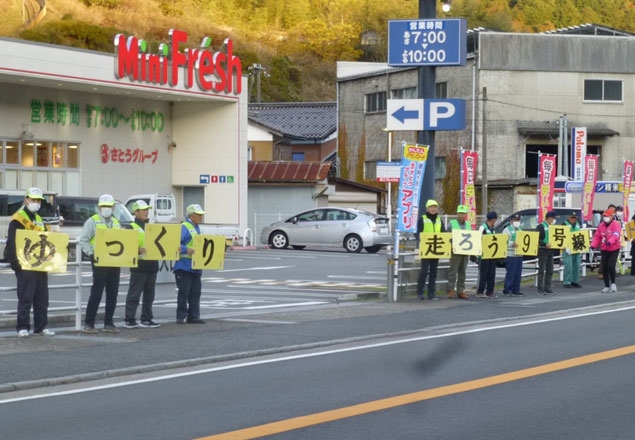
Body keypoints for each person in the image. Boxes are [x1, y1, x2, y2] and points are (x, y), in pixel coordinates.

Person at [5, 187, 55, 337]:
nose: (36, 203)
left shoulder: (39, 219)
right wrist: (15, 263)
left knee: (42, 297)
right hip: (24, 264)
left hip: (39, 263)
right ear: (26, 199)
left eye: (38, 200)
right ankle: (23, 327)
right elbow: (12, 242)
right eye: (33, 199)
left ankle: (41, 326)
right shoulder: (18, 218)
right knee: (26, 296)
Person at [80, 194, 122, 333]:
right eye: (104, 206)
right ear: (99, 207)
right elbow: (84, 240)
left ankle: (109, 323)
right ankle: (89, 324)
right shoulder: (92, 221)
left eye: (109, 206)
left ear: (113, 207)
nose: (106, 209)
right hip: (99, 261)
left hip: (114, 261)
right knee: (96, 292)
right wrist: (91, 254)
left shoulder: (116, 222)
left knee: (113, 293)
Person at [124, 200, 160, 329]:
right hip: (138, 265)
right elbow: (126, 247)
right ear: (136, 212)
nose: (146, 212)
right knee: (134, 294)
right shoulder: (131, 227)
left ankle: (147, 318)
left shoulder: (151, 227)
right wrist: (137, 250)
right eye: (143, 210)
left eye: (147, 209)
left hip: (152, 264)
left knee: (149, 295)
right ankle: (129, 319)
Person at [174, 204, 206, 323]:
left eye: (201, 214)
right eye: (198, 214)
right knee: (184, 292)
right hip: (184, 265)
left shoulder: (197, 228)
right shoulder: (184, 227)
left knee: (195, 292)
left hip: (195, 266)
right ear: (191, 215)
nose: (201, 216)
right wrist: (185, 250)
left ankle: (193, 315)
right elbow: (175, 243)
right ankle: (181, 316)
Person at [416, 199, 445, 301]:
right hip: (426, 248)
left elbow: (444, 233)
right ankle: (420, 292)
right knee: (424, 271)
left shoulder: (439, 220)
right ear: (427, 208)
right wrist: (420, 240)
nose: (433, 209)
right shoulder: (422, 219)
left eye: (435, 207)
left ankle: (431, 293)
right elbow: (417, 232)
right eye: (431, 207)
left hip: (436, 248)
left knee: (433, 272)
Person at [591, 208, 622, 293]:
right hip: (604, 248)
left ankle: (613, 283)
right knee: (604, 267)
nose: (605, 217)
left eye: (607, 216)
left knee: (611, 265)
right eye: (604, 216)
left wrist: (610, 242)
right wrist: (593, 245)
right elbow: (597, 236)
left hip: (614, 248)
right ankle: (606, 285)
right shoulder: (601, 226)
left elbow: (616, 235)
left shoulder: (616, 225)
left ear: (612, 216)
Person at [447, 204, 471, 300]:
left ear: (465, 214)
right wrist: (451, 245)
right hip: (455, 250)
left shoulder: (468, 224)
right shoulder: (451, 223)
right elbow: (447, 236)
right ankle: (450, 290)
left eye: (463, 213)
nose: (461, 215)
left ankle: (461, 291)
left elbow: (472, 237)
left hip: (465, 251)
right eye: (460, 213)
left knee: (462, 271)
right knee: (453, 271)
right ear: (457, 213)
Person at [476, 211, 498, 298]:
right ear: (492, 219)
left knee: (492, 273)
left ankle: (490, 291)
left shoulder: (493, 229)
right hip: (484, 254)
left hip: (492, 254)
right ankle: (480, 291)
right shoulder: (483, 227)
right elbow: (478, 238)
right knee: (483, 274)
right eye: (495, 219)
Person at [502, 213, 524, 296]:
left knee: (518, 273)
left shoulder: (520, 229)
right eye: (515, 220)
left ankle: (516, 289)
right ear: (511, 221)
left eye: (518, 220)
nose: (517, 222)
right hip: (511, 254)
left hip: (519, 254)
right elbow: (504, 240)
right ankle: (507, 289)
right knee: (511, 273)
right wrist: (512, 243)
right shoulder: (507, 230)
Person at [536, 211, 557, 295]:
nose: (554, 220)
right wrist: (544, 244)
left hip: (550, 251)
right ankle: (540, 289)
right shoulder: (541, 226)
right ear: (549, 218)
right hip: (543, 250)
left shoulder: (552, 227)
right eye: (553, 218)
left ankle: (547, 288)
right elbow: (537, 238)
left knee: (550, 270)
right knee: (541, 270)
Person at [562, 212, 582, 289]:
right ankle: (567, 281)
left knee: (576, 265)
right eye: (572, 217)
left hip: (576, 246)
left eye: (575, 218)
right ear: (568, 217)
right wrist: (565, 247)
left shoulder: (578, 224)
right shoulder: (564, 224)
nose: (573, 219)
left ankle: (575, 281)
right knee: (568, 265)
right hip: (567, 248)